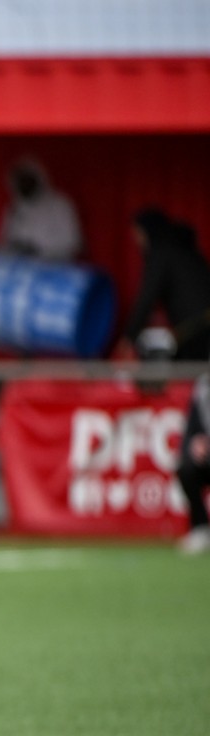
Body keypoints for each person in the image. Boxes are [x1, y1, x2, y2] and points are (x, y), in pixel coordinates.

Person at [118, 207, 210, 365]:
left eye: (139, 234)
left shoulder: (161, 252)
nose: (138, 241)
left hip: (198, 327)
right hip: (197, 325)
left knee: (192, 372)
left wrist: (128, 337)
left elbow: (147, 298)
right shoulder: (182, 248)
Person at [0, 156, 82, 262]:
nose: (24, 185)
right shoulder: (13, 209)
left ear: (38, 178)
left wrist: (39, 251)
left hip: (56, 268)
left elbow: (74, 244)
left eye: (27, 180)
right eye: (20, 181)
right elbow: (6, 242)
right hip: (20, 268)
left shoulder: (60, 205)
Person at [178, 373, 210, 556]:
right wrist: (195, 442)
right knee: (186, 468)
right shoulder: (203, 388)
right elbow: (191, 429)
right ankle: (200, 527)